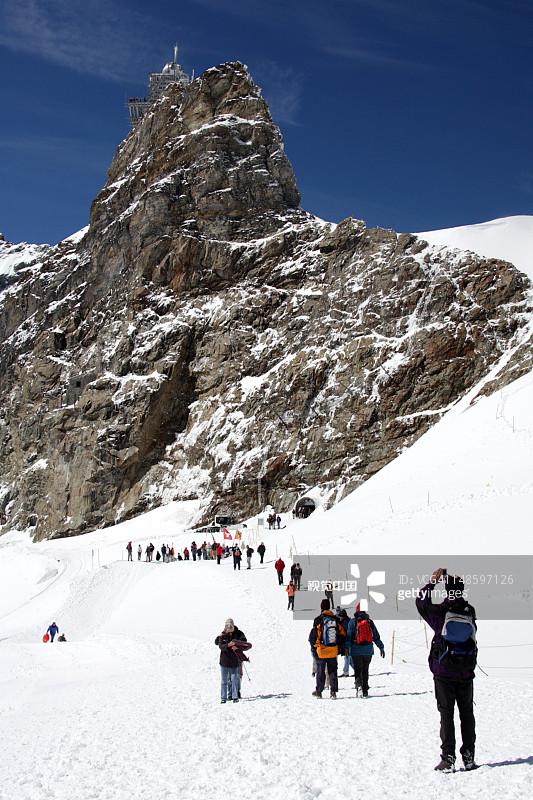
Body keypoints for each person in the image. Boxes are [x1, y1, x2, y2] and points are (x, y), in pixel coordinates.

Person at [416, 568, 477, 773]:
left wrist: (432, 582)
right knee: (467, 713)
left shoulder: (440, 612)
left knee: (447, 713)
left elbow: (421, 603)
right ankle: (468, 756)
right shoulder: (470, 611)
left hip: (444, 671)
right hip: (466, 670)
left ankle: (448, 757)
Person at [345, 609, 384, 698]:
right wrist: (381, 647)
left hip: (356, 650)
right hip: (368, 650)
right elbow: (376, 636)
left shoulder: (353, 622)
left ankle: (359, 687)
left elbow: (349, 636)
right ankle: (365, 689)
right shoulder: (369, 622)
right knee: (365, 669)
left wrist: (347, 648)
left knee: (358, 669)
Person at [310, 599, 345, 699]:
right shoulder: (335, 619)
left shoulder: (318, 620)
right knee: (333, 671)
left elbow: (314, 635)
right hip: (333, 649)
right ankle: (333, 691)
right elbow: (342, 633)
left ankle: (319, 691)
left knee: (321, 671)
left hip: (322, 650)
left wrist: (315, 648)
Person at [215, 618, 247, 703]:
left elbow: (244, 642)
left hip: (236, 657)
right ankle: (230, 694)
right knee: (228, 677)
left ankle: (236, 692)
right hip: (226, 660)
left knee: (237, 676)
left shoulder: (238, 633)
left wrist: (238, 646)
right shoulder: (224, 634)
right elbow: (218, 643)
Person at [337, 609, 353, 676]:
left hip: (347, 642)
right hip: (351, 642)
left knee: (347, 657)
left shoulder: (344, 623)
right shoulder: (349, 621)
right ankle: (358, 671)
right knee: (350, 658)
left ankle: (345, 672)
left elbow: (345, 633)